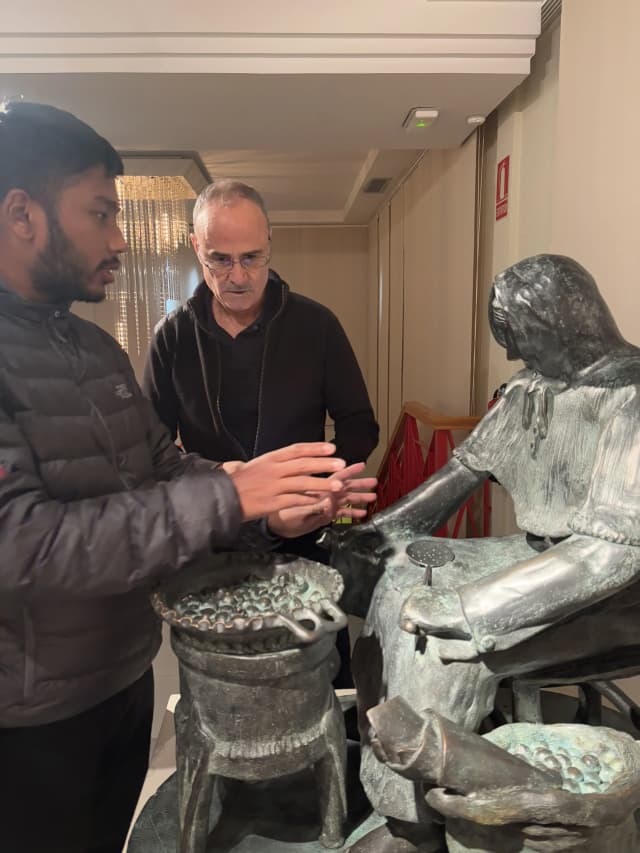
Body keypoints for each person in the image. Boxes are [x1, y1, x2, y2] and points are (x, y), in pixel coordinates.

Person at [0, 100, 376, 853]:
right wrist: (237, 494)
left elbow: (162, 466)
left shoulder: (95, 347)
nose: (119, 239)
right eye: (103, 212)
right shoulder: (166, 336)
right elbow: (23, 542)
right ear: (22, 214)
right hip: (31, 712)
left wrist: (273, 510)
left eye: (253, 257)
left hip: (121, 676)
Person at [327, 254, 640, 853]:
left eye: (523, 342)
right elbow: (459, 475)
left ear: (559, 326)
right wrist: (372, 536)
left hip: (615, 589)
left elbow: (609, 557)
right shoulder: (531, 389)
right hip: (543, 555)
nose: (517, 361)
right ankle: (395, 784)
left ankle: (417, 827)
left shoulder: (631, 394)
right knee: (394, 576)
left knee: (442, 642)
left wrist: (472, 609)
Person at [143, 178, 379, 684]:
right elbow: (151, 449)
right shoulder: (173, 337)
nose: (237, 276)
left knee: (323, 684)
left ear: (271, 241)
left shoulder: (316, 325)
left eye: (251, 257)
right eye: (219, 260)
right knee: (220, 688)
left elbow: (360, 425)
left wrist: (319, 486)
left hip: (305, 535)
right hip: (215, 540)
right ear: (195, 248)